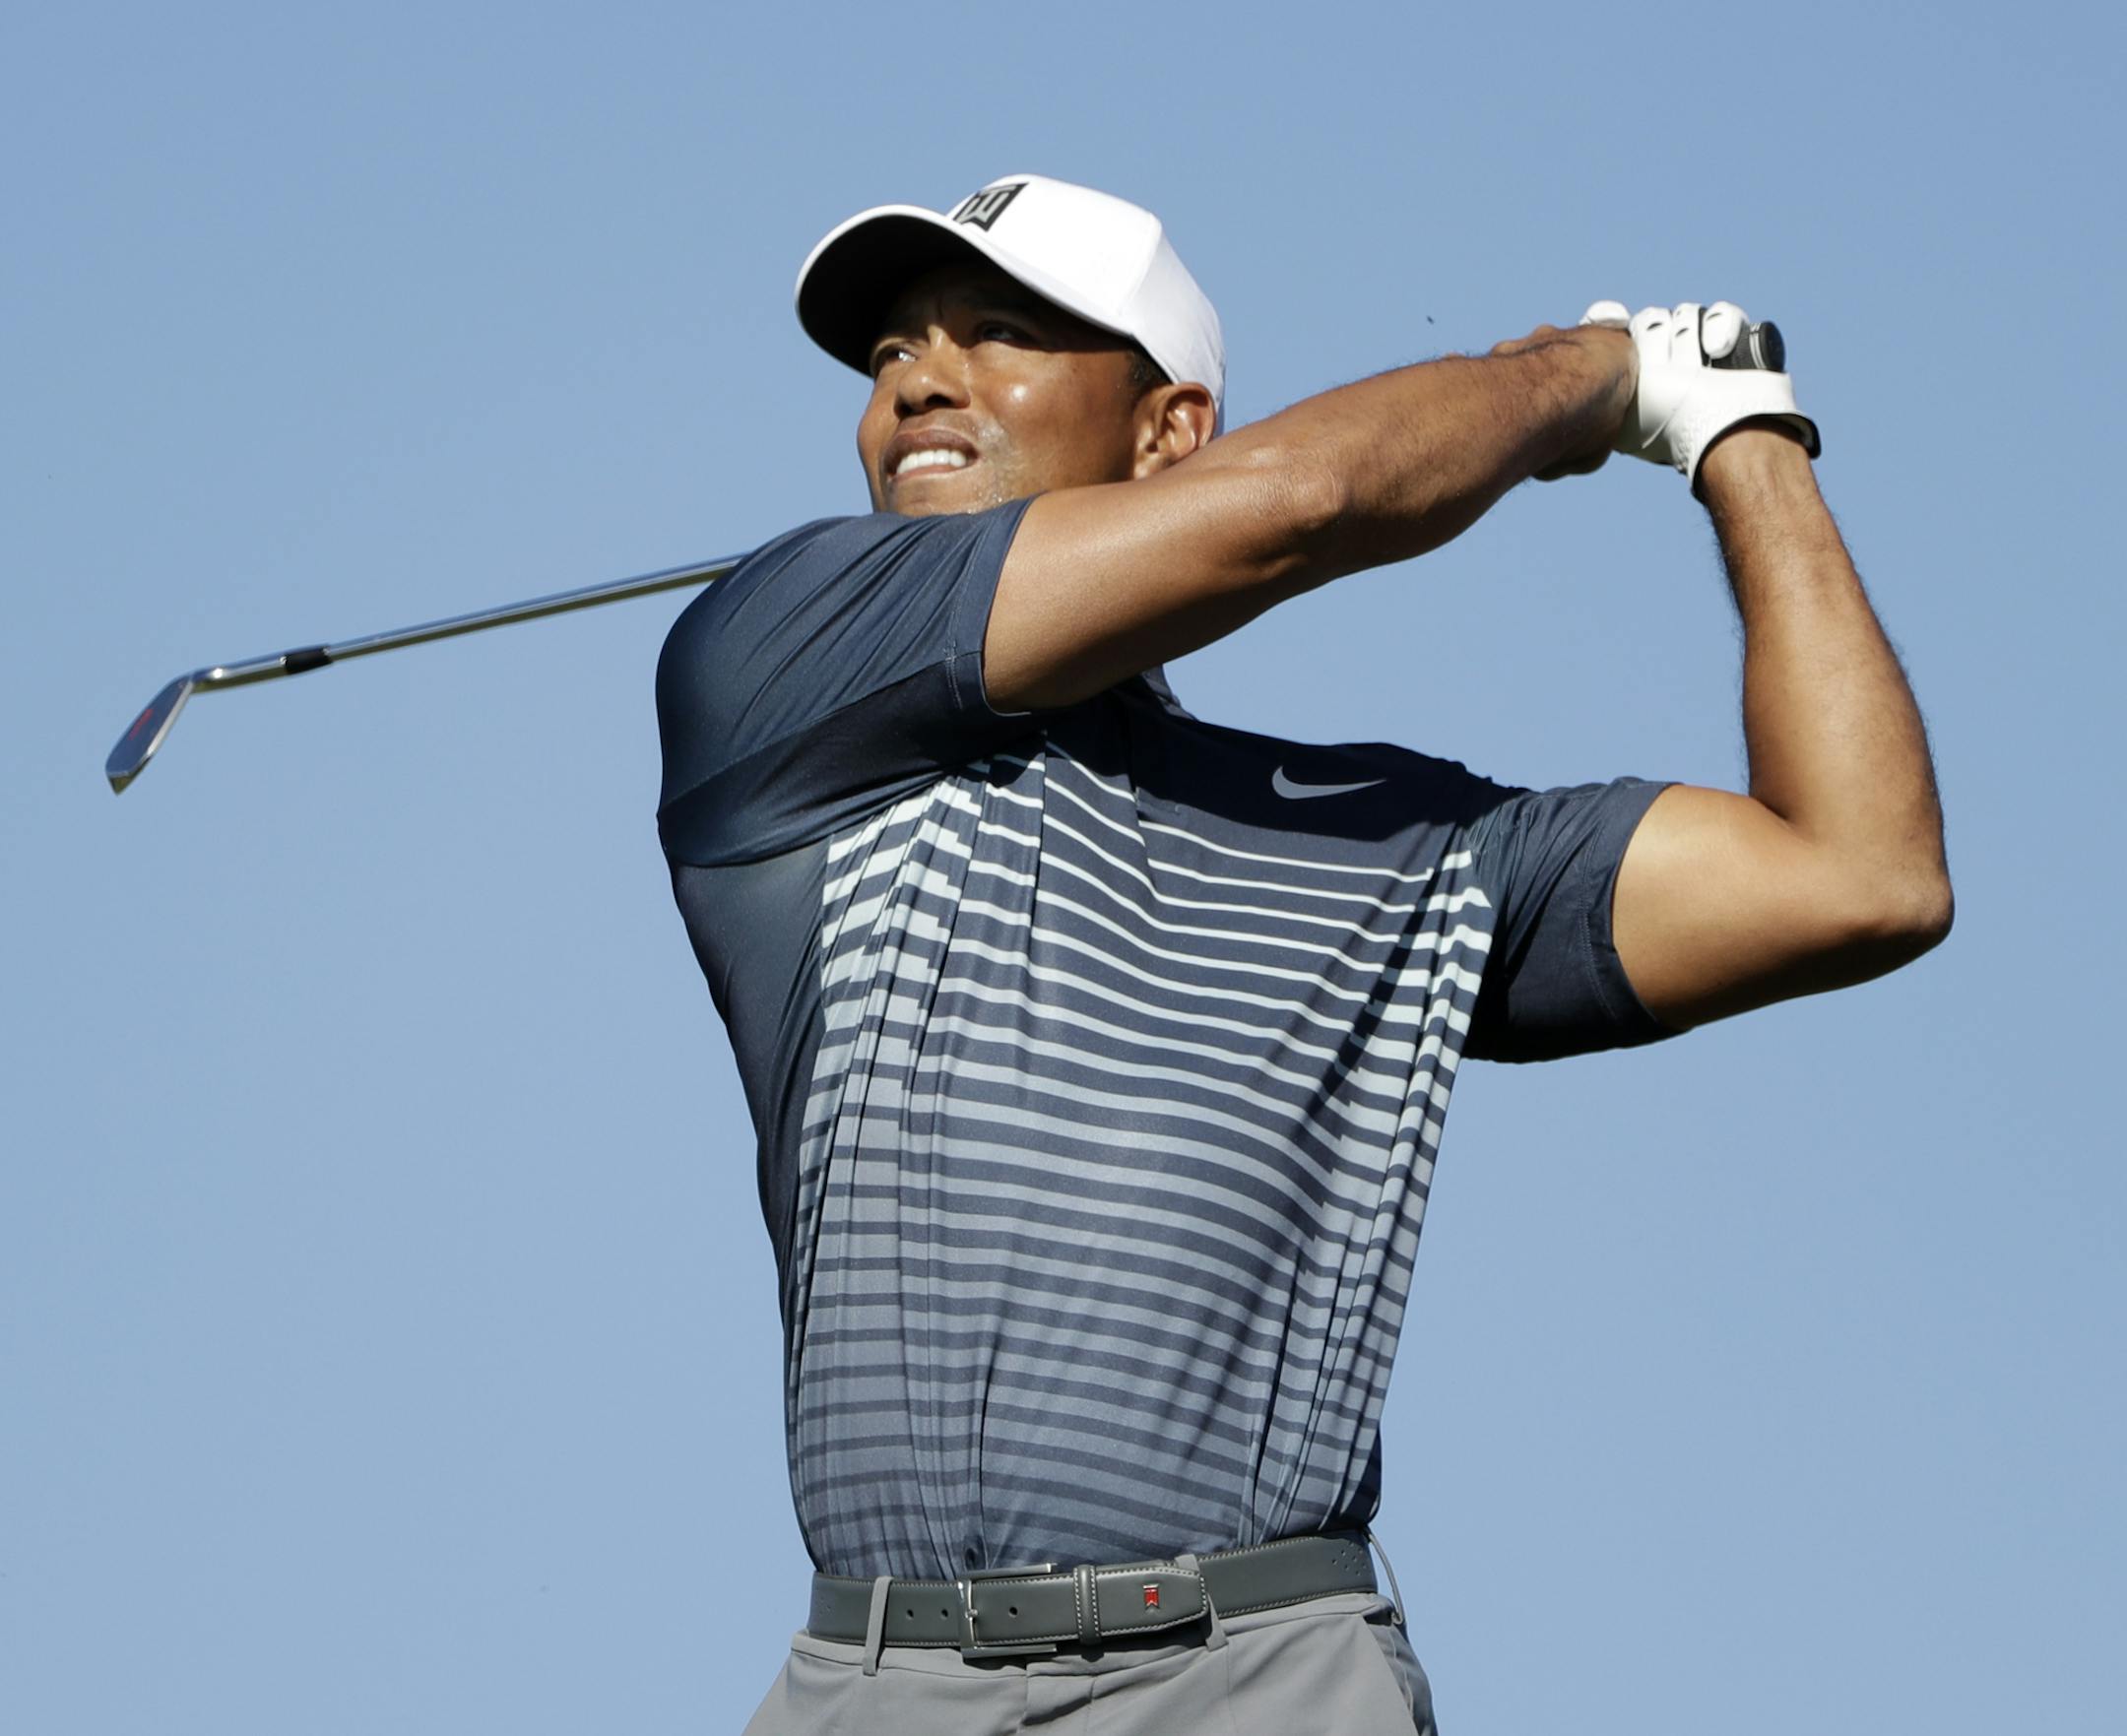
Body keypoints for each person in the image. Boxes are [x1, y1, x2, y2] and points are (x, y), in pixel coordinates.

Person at [654, 174, 1951, 1735]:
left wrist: (1742, 438)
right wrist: (1586, 378)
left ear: (1166, 433)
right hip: (884, 1682)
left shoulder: (1389, 848)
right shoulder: (778, 661)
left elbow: (1861, 873)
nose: (917, 379)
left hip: (1263, 1678)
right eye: (888, 357)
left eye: (999, 335)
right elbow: (1301, 508)